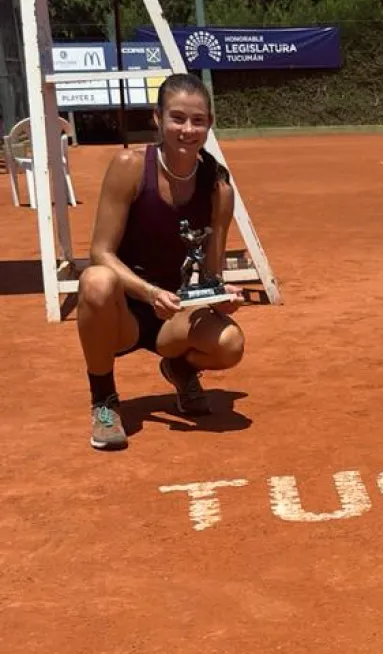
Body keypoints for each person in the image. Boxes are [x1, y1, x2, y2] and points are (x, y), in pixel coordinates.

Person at [78, 73, 246, 451]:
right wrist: (149, 291)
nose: (188, 129)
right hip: (122, 313)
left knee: (230, 343)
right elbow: (100, 251)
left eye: (198, 120)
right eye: (178, 118)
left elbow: (212, 272)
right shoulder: (130, 166)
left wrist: (224, 295)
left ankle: (181, 368)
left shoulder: (219, 188)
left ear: (209, 124)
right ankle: (104, 400)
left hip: (175, 316)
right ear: (158, 119)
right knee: (95, 281)